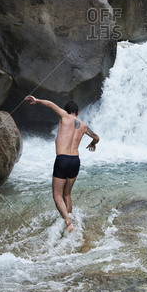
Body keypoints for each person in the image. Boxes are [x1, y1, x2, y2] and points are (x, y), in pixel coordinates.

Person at [24, 95, 99, 232]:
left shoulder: (64, 116)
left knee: (57, 195)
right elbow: (96, 137)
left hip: (62, 159)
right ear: (78, 113)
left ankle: (68, 222)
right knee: (67, 195)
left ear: (65, 111)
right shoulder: (83, 126)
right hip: (75, 161)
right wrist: (93, 144)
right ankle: (69, 218)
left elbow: (51, 104)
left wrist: (38, 100)